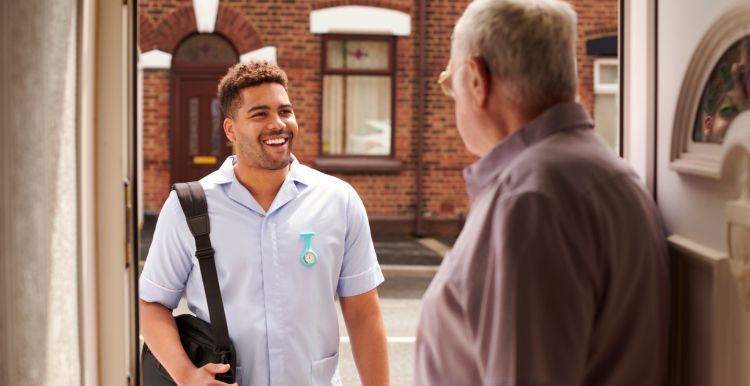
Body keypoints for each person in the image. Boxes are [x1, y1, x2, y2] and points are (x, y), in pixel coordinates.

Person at [414, 0, 669, 385]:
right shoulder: (610, 174)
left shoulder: (529, 201)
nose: (454, 99)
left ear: (478, 79)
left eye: (452, 84)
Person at [139, 60, 389, 386]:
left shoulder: (338, 201)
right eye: (260, 114)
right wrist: (187, 375)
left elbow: (364, 315)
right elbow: (151, 303)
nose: (278, 124)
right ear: (230, 129)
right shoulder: (188, 208)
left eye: (285, 111)